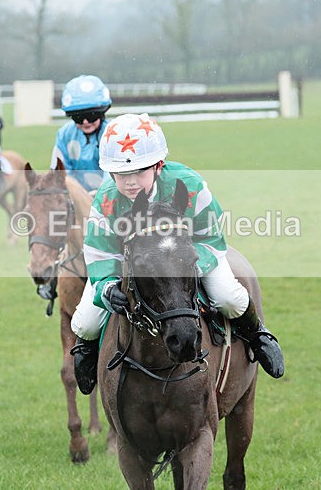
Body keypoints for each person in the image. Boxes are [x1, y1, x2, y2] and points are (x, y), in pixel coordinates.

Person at [69, 113, 285, 395]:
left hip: (190, 256)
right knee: (84, 321)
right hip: (130, 264)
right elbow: (99, 251)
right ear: (110, 174)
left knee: (227, 296)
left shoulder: (190, 184)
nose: (130, 182)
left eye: (139, 172)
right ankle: (87, 352)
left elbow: (211, 234)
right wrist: (108, 286)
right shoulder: (107, 198)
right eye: (121, 175)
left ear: (158, 166)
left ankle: (258, 335)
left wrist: (184, 266)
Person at [51, 75, 112, 193]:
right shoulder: (64, 134)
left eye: (91, 116)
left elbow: (113, 172)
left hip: (109, 197)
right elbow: (59, 170)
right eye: (78, 117)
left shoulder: (113, 134)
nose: (85, 122)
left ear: (102, 113)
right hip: (75, 197)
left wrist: (100, 195)